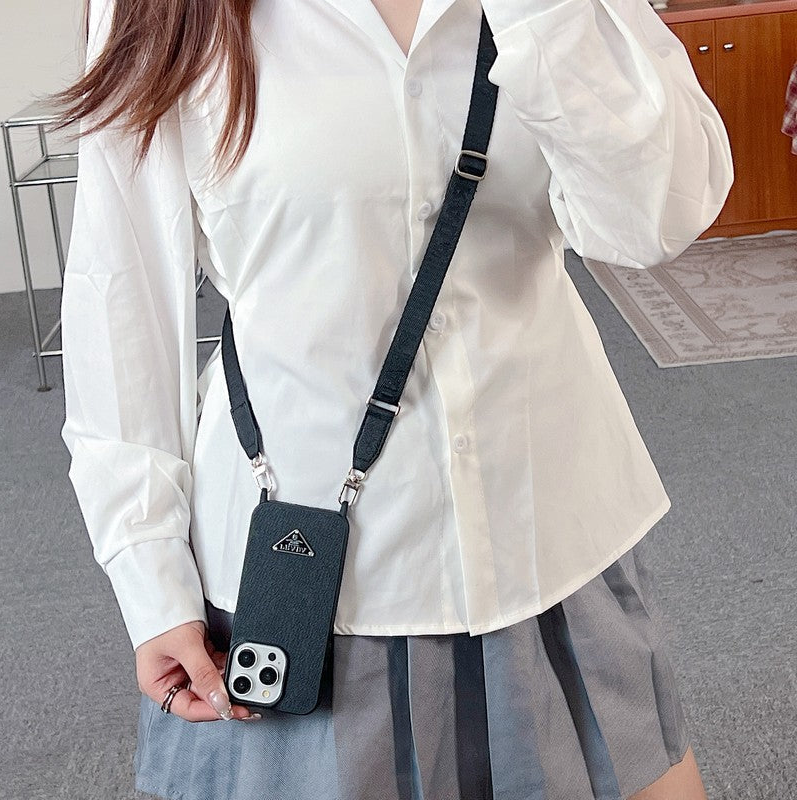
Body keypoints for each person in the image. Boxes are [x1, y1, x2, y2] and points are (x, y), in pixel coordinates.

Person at [51, 0, 733, 797]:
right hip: (317, 589)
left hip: (548, 546)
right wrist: (149, 574)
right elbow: (121, 306)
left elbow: (655, 221)